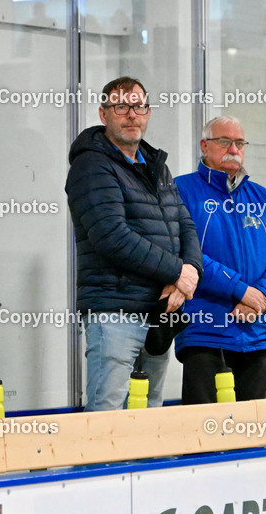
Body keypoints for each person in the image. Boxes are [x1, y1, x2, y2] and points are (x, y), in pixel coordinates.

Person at [66, 76, 203, 412]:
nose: (131, 114)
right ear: (104, 113)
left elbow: (183, 223)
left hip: (160, 309)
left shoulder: (156, 166)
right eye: (120, 106)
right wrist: (176, 270)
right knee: (107, 411)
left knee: (149, 410)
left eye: (138, 106)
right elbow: (111, 236)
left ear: (148, 112)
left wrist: (190, 274)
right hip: (115, 313)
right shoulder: (92, 166)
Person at [173, 116, 266, 404]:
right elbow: (186, 253)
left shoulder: (261, 197)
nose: (234, 149)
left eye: (239, 142)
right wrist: (240, 290)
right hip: (205, 333)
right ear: (204, 146)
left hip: (257, 332)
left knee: (249, 434)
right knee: (204, 435)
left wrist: (262, 296)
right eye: (224, 141)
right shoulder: (181, 190)